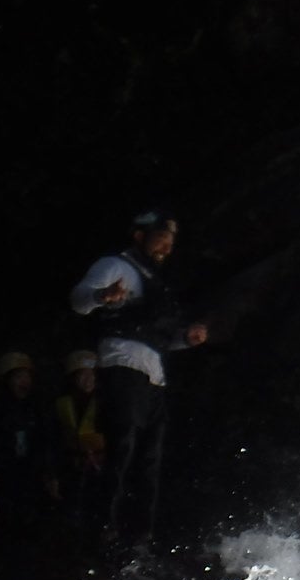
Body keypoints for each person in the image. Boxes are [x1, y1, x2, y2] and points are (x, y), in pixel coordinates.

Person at [69, 209, 210, 546]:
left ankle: (140, 535)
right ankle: (102, 526)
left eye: (171, 240)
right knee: (122, 447)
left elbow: (161, 337)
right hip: (122, 365)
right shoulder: (116, 266)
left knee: (149, 460)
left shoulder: (157, 282)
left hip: (154, 376)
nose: (167, 245)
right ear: (139, 236)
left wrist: (186, 339)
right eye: (161, 236)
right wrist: (102, 296)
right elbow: (78, 300)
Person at [0, 351, 59, 539]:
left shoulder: (36, 406)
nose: (24, 382)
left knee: (36, 518)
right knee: (9, 520)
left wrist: (50, 473)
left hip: (32, 471)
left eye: (26, 376)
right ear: (7, 380)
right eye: (18, 376)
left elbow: (47, 440)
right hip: (7, 472)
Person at [54, 348, 108, 530]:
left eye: (91, 375)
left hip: (101, 466)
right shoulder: (62, 403)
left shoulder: (106, 402)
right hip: (73, 466)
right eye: (83, 375)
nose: (88, 380)